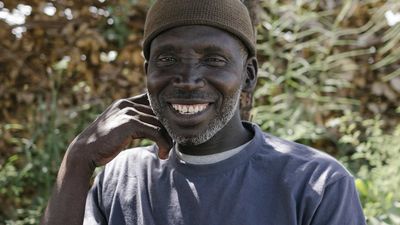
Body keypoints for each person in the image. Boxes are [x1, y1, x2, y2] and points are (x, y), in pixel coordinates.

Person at [42, 0, 366, 224]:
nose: (188, 80)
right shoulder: (122, 177)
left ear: (249, 76)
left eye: (213, 60)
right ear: (147, 73)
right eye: (167, 60)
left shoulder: (316, 183)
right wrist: (77, 160)